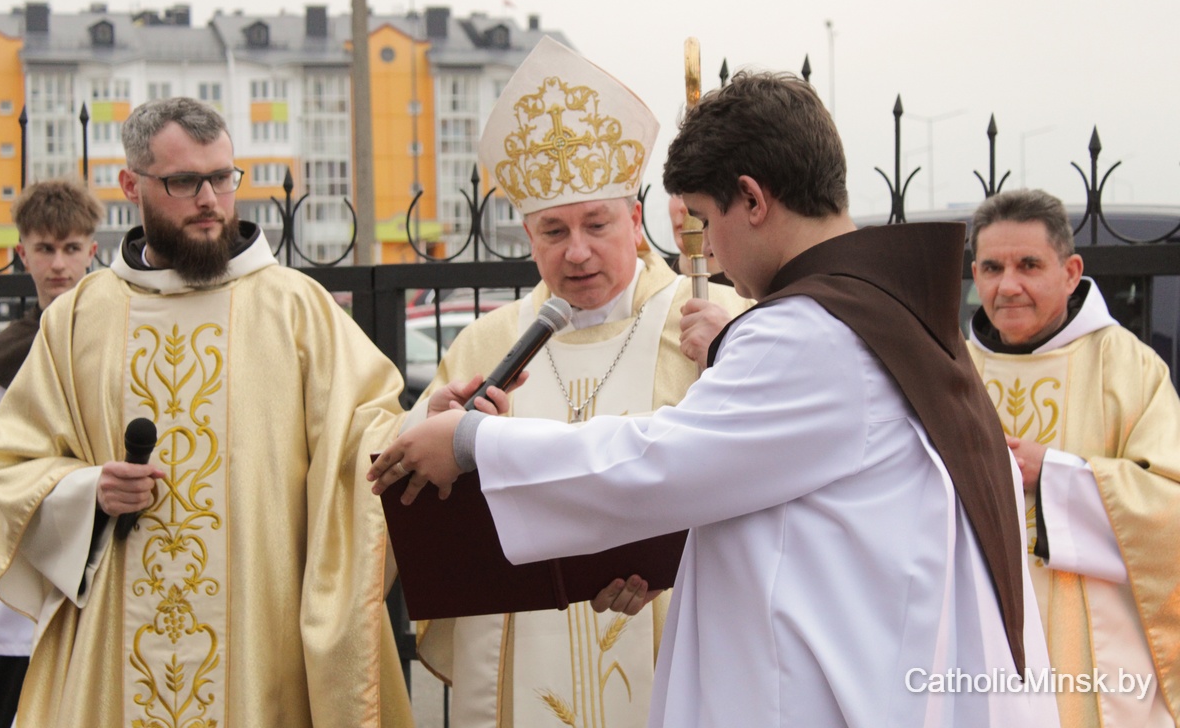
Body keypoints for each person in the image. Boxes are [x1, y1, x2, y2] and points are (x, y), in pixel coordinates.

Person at [373, 71, 1061, 727]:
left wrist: (472, 441)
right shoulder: (882, 309)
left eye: (704, 221)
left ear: (753, 200)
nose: (710, 258)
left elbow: (662, 461)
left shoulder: (806, 331)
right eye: (554, 231)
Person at [0, 97, 414, 727]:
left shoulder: (297, 308)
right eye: (184, 181)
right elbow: (12, 462)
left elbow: (365, 439)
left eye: (222, 178)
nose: (210, 199)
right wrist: (87, 491)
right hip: (115, 645)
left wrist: (430, 425)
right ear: (131, 185)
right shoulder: (79, 319)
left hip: (260, 646)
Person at [403, 37, 750, 727]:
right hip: (520, 659)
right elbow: (406, 489)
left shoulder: (713, 323)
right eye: (553, 231)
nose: (578, 251)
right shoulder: (484, 346)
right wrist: (427, 428)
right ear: (528, 236)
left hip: (674, 643)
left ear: (635, 221)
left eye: (596, 224)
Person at [967, 188, 1180, 726]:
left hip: (1094, 659)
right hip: (977, 640)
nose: (1007, 285)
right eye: (992, 268)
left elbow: (1170, 504)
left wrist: (1056, 475)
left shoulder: (1127, 366)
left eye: (1028, 265)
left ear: (1070, 272)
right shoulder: (956, 370)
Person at [0, 179, 103, 728]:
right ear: (22, 253)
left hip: (96, 570)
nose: (58, 264)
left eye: (71, 248)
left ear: (92, 251)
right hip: (8, 585)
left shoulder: (118, 346)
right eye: (45, 248)